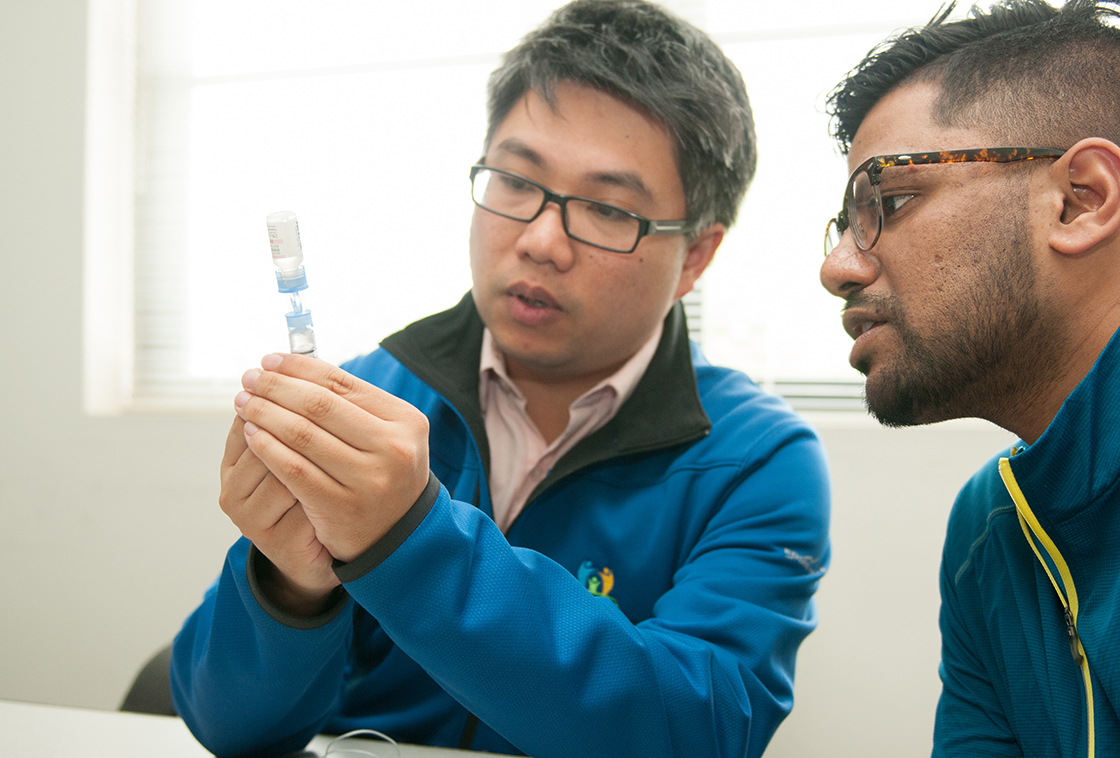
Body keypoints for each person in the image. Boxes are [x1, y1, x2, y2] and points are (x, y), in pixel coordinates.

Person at [171, 2, 831, 757]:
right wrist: (288, 583)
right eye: (516, 181)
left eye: (609, 208)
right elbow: (227, 727)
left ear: (695, 258)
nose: (541, 240)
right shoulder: (373, 401)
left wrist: (409, 538)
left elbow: (698, 730)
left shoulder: (755, 459)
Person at [819, 0, 1120, 755]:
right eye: (844, 227)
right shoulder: (990, 529)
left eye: (888, 201)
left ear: (1081, 199)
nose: (838, 269)